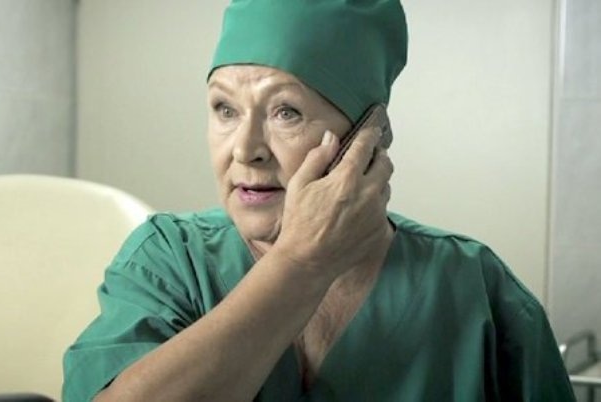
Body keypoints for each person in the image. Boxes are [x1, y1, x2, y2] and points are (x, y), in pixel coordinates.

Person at [62, 1, 575, 401]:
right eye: (225, 109)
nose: (244, 149)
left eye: (285, 112)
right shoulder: (168, 260)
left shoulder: (476, 292)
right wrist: (300, 264)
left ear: (368, 135)